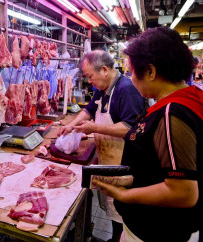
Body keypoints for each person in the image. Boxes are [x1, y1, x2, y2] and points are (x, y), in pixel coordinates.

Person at [92, 26, 202, 242]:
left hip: (159, 232)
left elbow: (184, 192)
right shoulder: (190, 98)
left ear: (151, 72)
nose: (131, 78)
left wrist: (124, 196)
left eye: (133, 71)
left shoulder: (172, 112)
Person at [58, 50, 145, 242]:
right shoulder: (104, 88)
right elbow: (89, 110)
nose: (89, 81)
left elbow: (130, 128)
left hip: (124, 163)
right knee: (113, 209)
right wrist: (71, 125)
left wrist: (93, 128)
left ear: (104, 70)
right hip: (110, 159)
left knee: (122, 212)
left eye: (90, 76)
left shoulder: (126, 90)